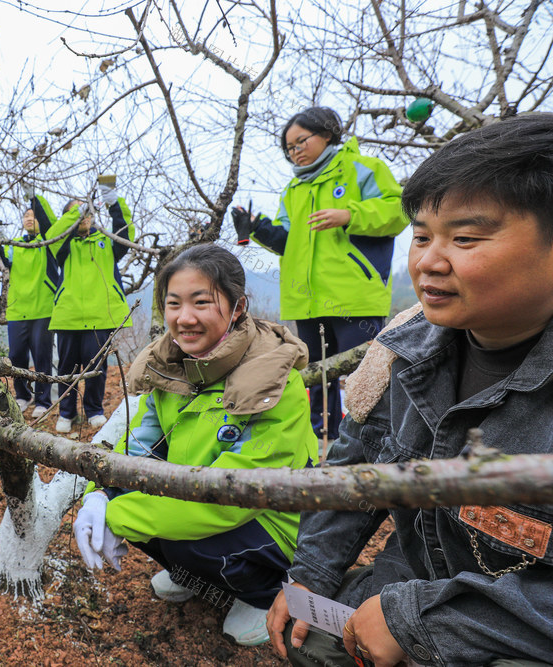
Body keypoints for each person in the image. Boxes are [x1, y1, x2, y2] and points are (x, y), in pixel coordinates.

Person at [266, 113, 553, 666]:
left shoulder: (359, 173)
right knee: (311, 636)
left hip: (514, 616)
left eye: (464, 238)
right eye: (421, 236)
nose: (427, 262)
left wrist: (421, 620)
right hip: (421, 569)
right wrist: (309, 577)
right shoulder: (401, 350)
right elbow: (351, 477)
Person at [73, 244, 318, 646]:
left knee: (167, 533)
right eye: (173, 304)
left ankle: (265, 594)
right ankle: (200, 576)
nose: (184, 318)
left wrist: (117, 515)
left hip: (270, 520)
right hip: (194, 501)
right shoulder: (168, 367)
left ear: (238, 308)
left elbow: (237, 495)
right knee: (139, 515)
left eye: (201, 302)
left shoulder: (274, 382)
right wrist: (99, 495)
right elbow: (139, 447)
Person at [232, 107, 405, 441]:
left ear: (327, 134)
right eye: (289, 147)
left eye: (301, 141)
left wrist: (350, 214)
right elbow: (286, 240)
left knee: (365, 376)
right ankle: (321, 438)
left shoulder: (363, 168)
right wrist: (257, 228)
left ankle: (369, 441)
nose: (295, 151)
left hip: (354, 297)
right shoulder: (293, 190)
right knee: (316, 375)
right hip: (306, 301)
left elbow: (398, 210)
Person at [39, 175, 135, 434]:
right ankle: (67, 412)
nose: (84, 217)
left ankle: (94, 411)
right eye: (78, 213)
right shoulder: (62, 246)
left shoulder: (106, 242)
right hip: (68, 316)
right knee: (67, 369)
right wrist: (76, 212)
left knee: (97, 369)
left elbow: (126, 232)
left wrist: (112, 201)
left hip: (100, 316)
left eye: (87, 213)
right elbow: (52, 234)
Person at [0, 203, 60, 419]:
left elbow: (52, 226)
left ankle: (43, 400)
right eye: (26, 215)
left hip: (42, 309)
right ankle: (23, 396)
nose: (29, 218)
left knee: (42, 357)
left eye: (33, 215)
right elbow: (2, 261)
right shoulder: (15, 245)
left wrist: (37, 202)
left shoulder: (48, 243)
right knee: (16, 356)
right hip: (17, 309)